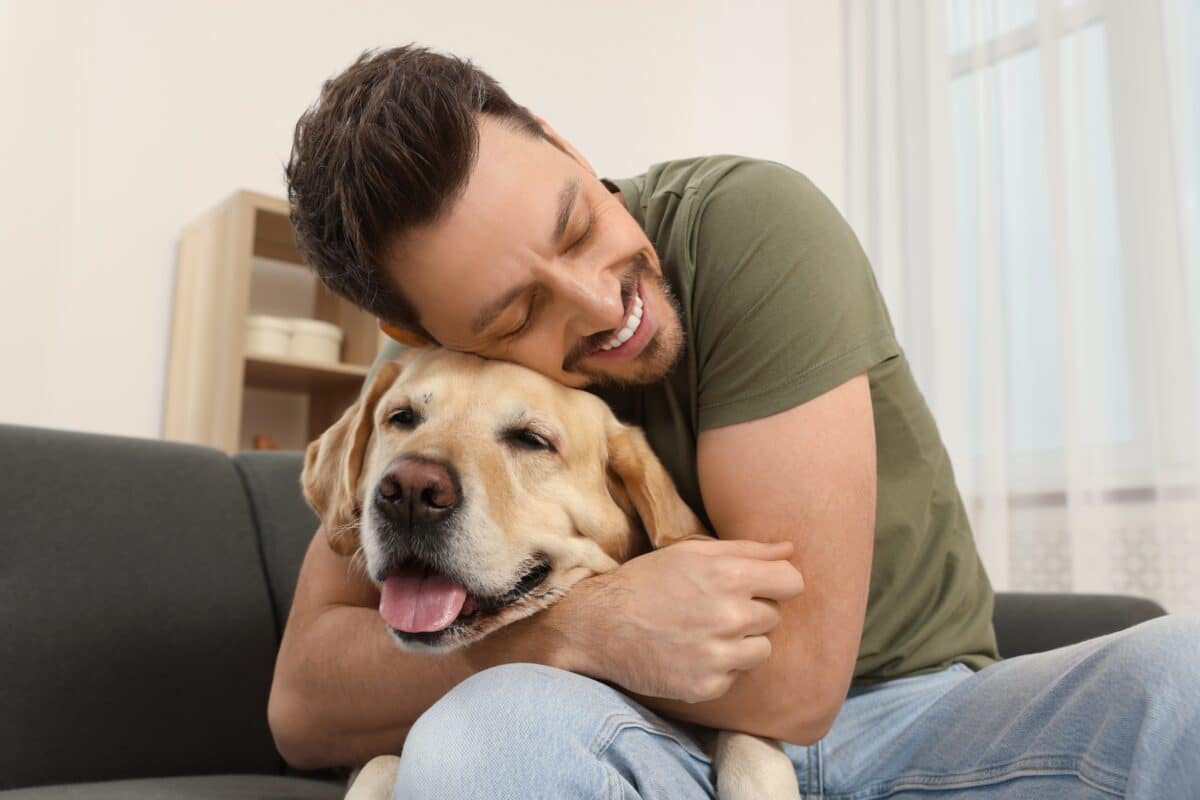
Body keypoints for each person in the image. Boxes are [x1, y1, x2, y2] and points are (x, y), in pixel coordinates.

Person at [269, 45, 1198, 798]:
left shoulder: (751, 227)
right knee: (480, 737)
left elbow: (792, 683)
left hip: (914, 718)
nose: (601, 302)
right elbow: (306, 700)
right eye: (514, 318)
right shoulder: (423, 388)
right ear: (418, 331)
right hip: (634, 735)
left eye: (577, 221)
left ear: (565, 146)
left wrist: (557, 629)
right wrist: (580, 628)